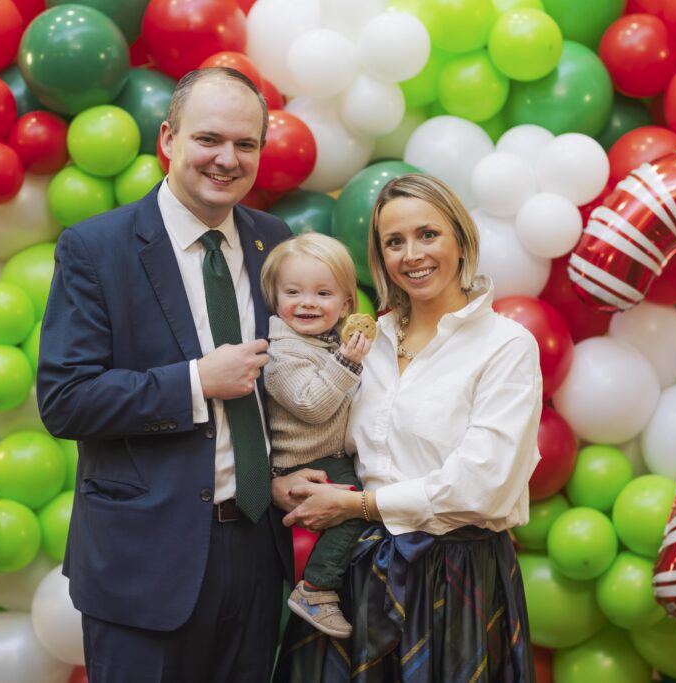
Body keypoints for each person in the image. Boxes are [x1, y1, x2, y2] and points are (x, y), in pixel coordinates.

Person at [37, 67, 315, 682]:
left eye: (245, 144)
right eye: (208, 139)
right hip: (143, 562)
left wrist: (288, 471)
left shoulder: (274, 242)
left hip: (256, 551)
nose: (227, 159)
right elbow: (66, 399)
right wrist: (195, 382)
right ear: (168, 138)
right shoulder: (96, 248)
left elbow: (286, 380)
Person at [273, 173, 542, 682]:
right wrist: (284, 482)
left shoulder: (506, 345)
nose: (411, 254)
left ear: (460, 240)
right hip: (357, 572)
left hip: (455, 573)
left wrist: (357, 505)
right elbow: (322, 432)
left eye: (428, 234)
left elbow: (483, 485)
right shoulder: (366, 341)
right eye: (394, 242)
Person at [260, 232, 373, 639]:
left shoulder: (328, 341)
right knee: (355, 507)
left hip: (328, 453)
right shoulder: (282, 352)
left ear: (346, 304)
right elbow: (311, 405)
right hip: (303, 462)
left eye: (323, 293)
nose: (307, 302)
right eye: (293, 292)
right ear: (275, 297)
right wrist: (347, 362)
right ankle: (316, 588)